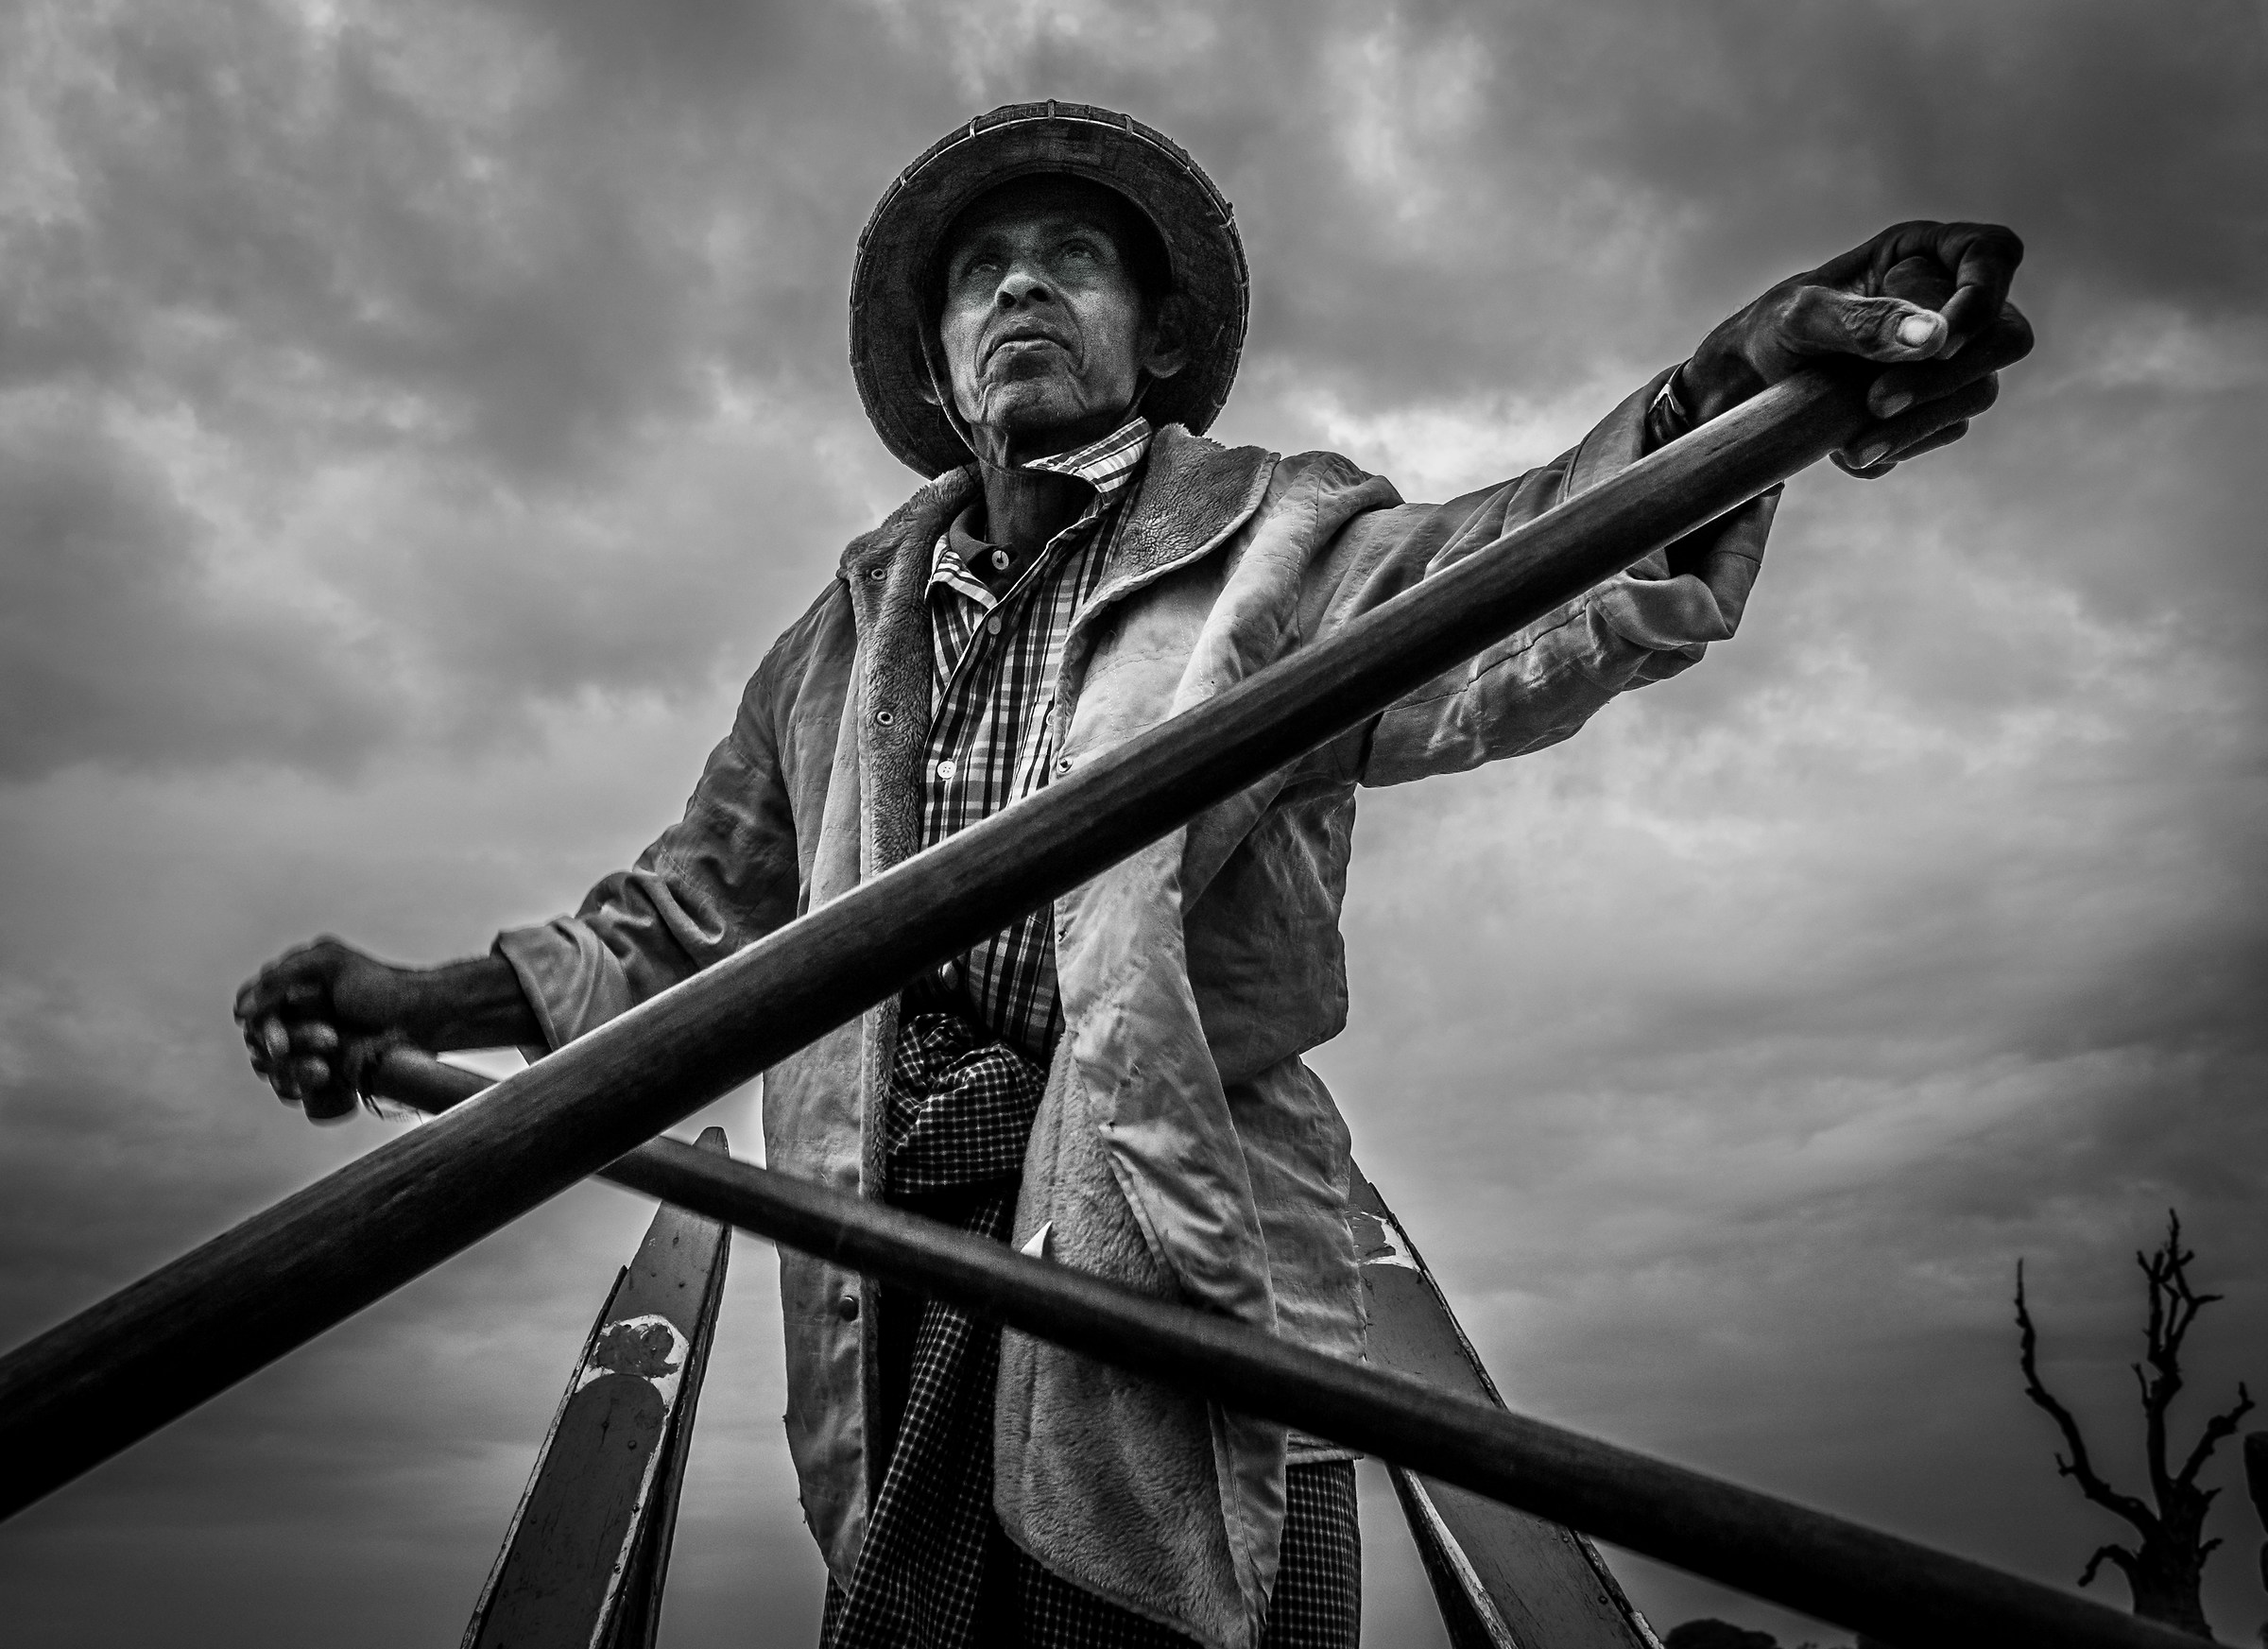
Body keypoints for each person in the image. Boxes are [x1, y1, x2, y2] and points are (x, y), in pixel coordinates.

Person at [233, 103, 2030, 1649]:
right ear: (939, 365)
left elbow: (1521, 574)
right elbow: (686, 915)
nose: (1017, 286)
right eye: (979, 269)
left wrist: (1737, 397)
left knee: (1181, 1595)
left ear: (1153, 339)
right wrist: (421, 1001)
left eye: (1068, 260)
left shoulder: (1285, 544)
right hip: (885, 1255)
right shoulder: (836, 644)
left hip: (1155, 1256)